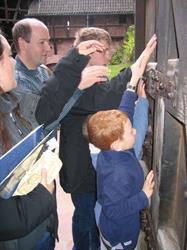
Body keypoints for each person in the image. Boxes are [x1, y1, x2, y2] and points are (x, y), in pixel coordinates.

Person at [35, 27, 156, 250]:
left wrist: (133, 95)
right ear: (89, 52)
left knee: (89, 219)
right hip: (82, 173)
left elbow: (113, 102)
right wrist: (136, 70)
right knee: (86, 221)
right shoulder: (77, 84)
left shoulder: (92, 81)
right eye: (105, 50)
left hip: (91, 170)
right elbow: (107, 98)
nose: (110, 55)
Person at [12, 19, 108, 250]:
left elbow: (58, 112)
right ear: (21, 44)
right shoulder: (15, 81)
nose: (48, 48)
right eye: (42, 42)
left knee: (48, 220)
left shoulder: (44, 73)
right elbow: (44, 121)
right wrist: (77, 89)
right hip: (26, 170)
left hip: (47, 163)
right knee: (34, 230)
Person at [0, 32, 56, 244]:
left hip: (42, 223)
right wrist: (43, 195)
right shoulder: (18, 89)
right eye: (5, 56)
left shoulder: (11, 101)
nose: (12, 62)